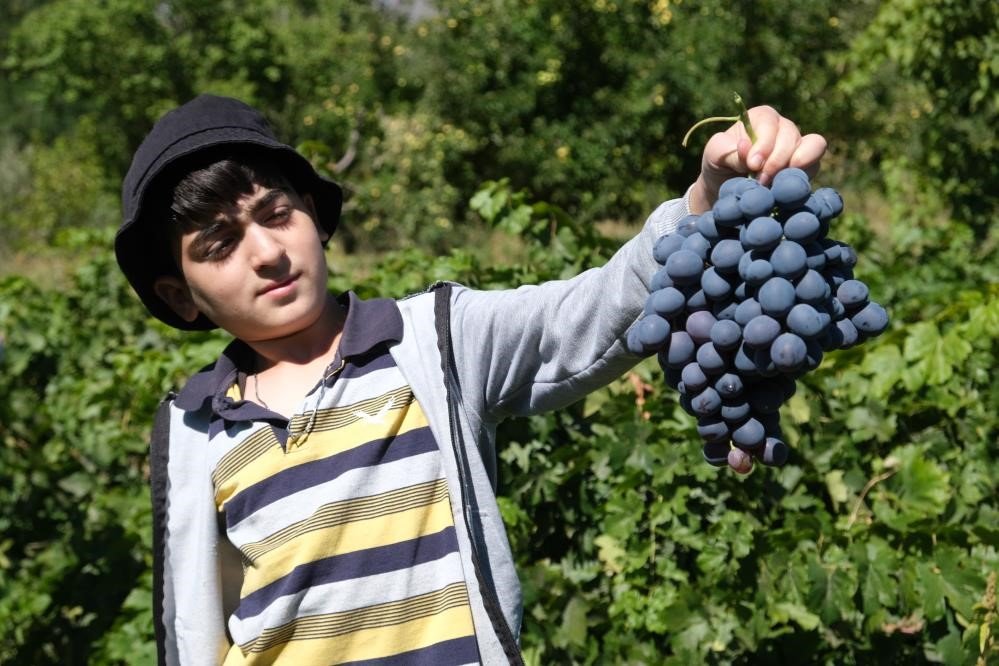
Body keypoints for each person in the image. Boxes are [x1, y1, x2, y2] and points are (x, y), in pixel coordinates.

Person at [115, 94, 825, 665]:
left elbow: (589, 312)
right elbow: (196, 629)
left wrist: (704, 200)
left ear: (314, 219)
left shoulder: (434, 340)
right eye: (219, 244)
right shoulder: (193, 431)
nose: (266, 251)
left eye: (277, 214)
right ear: (181, 296)